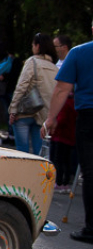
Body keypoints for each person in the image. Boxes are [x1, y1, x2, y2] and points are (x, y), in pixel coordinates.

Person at [42, 20, 93, 244]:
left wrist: (51, 119)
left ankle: (92, 228)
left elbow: (62, 89)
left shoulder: (80, 52)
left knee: (91, 172)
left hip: (89, 117)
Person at [8, 33, 58, 154]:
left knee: (22, 151)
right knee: (38, 152)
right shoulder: (55, 67)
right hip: (42, 114)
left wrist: (13, 109)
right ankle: (37, 173)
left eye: (32, 45)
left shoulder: (32, 61)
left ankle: (22, 173)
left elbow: (22, 86)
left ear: (37, 46)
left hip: (25, 111)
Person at [51, 35, 77, 193]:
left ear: (64, 47)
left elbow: (61, 89)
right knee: (60, 151)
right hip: (63, 110)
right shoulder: (57, 64)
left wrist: (52, 119)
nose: (54, 49)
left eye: (56, 46)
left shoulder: (74, 59)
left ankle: (63, 180)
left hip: (67, 110)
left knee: (62, 153)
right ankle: (62, 179)